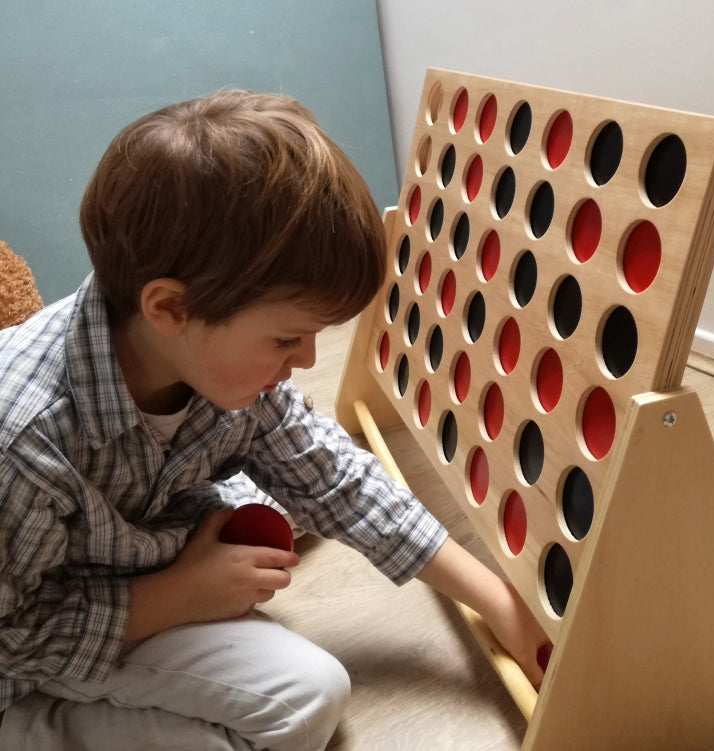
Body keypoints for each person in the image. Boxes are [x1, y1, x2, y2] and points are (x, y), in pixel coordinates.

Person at [0, 90, 548, 750]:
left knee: (307, 668)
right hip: (28, 644)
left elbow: (335, 477)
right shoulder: (24, 438)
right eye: (287, 339)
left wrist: (499, 603)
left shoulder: (211, 362)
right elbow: (11, 634)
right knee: (303, 697)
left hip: (129, 556)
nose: (308, 360)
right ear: (170, 309)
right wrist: (176, 596)